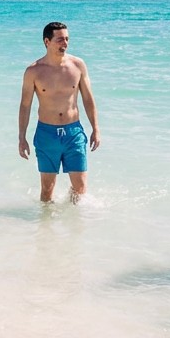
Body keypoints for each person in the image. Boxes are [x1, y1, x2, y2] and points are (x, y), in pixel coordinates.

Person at [17, 22, 100, 203]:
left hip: (73, 133)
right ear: (47, 41)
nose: (65, 43)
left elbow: (88, 98)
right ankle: (46, 228)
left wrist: (95, 128)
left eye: (67, 39)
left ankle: (74, 224)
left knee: (80, 188)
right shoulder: (33, 71)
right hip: (47, 134)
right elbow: (25, 105)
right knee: (47, 191)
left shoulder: (78, 65)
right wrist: (21, 137)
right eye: (60, 39)